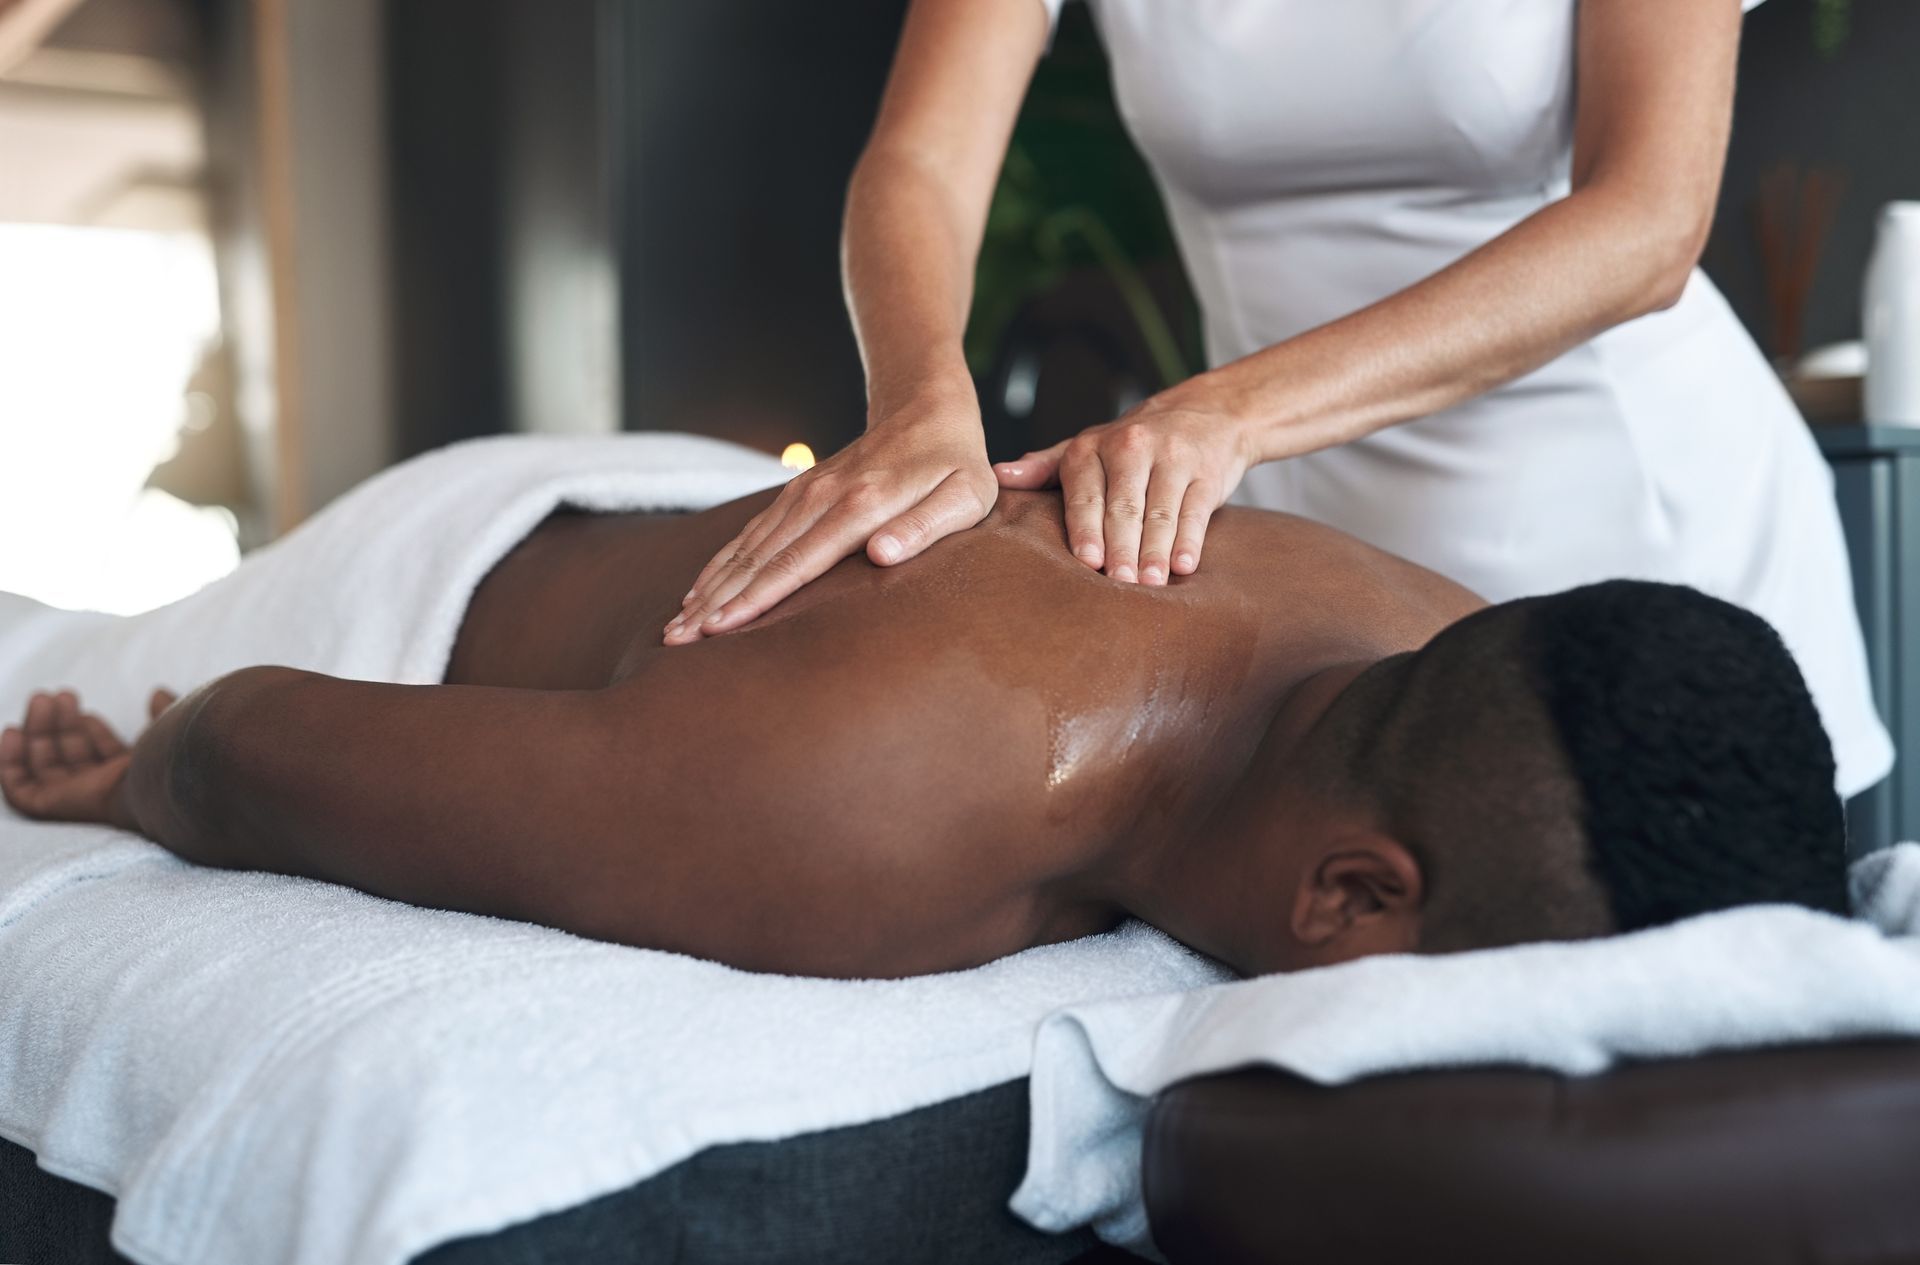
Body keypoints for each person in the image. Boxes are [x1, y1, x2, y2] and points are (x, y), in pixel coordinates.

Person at [662, 0, 1893, 802]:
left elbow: (1648, 223)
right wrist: (920, 397)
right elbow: (922, 161)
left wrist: (1231, 412)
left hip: (1641, 525)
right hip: (1315, 566)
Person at [2, 479, 1846, 980]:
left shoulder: (1465, 649)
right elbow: (245, 744)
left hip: (744, 509)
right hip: (447, 562)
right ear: (1351, 899)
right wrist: (139, 777)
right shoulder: (877, 810)